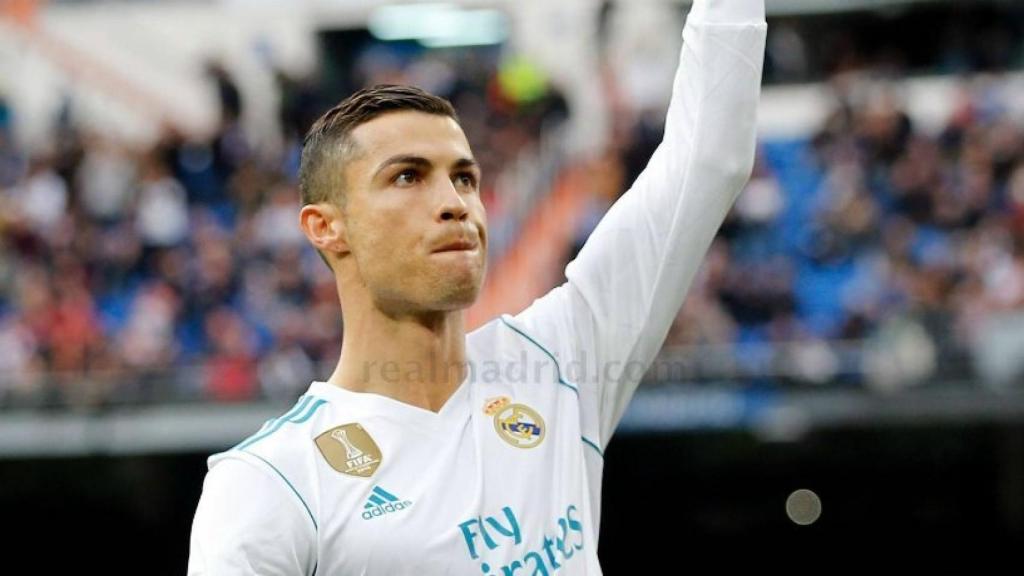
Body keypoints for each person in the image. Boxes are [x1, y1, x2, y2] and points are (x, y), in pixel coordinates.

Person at [187, 1, 767, 573]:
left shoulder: (558, 363)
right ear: (325, 227)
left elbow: (708, 158)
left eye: (465, 178)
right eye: (407, 176)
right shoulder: (270, 485)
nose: (455, 203)